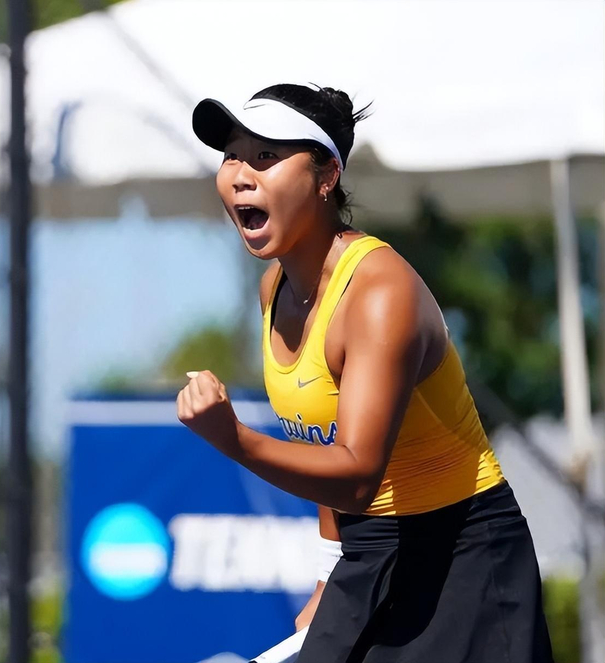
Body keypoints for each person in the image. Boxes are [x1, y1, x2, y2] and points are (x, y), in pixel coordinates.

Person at [179, 83, 553, 663]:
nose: (241, 176)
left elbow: (355, 475)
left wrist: (233, 439)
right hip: (369, 551)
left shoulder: (380, 294)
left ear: (327, 176)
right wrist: (329, 574)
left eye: (266, 156)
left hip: (463, 556)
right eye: (232, 156)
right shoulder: (274, 288)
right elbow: (324, 444)